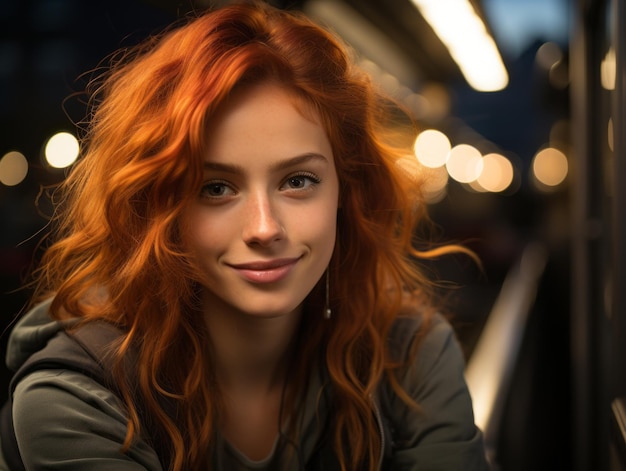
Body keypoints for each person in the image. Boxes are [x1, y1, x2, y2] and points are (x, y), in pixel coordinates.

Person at [0, 1, 488, 470]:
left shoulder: (410, 353)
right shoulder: (75, 397)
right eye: (215, 188)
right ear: (158, 208)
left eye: (298, 181)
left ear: (345, 187)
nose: (264, 228)